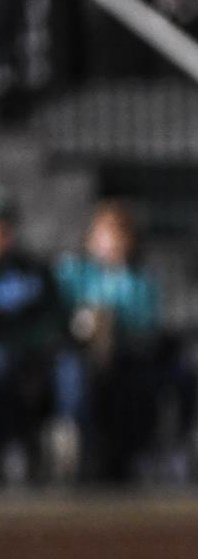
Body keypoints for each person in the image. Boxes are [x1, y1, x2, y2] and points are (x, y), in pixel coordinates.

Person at [56, 200, 198, 483]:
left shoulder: (138, 280)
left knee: (142, 387)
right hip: (80, 358)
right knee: (74, 379)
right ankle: (79, 449)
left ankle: (134, 457)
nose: (111, 244)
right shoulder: (72, 272)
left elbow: (145, 325)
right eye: (105, 235)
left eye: (118, 236)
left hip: (127, 359)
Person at [0, 185, 66, 485]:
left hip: (32, 360)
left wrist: (25, 343)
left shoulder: (34, 271)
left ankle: (33, 449)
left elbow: (53, 318)